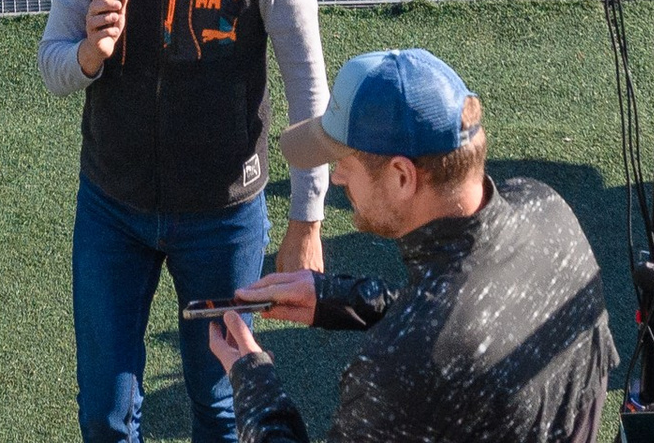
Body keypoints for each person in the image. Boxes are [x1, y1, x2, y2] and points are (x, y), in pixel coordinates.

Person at [40, 0, 330, 443]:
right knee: (105, 416)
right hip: (112, 207)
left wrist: (307, 220)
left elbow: (308, 85)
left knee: (221, 406)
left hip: (221, 217)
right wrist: (88, 56)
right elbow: (53, 67)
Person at [212, 48, 615, 443]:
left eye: (344, 162)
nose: (336, 178)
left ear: (402, 176)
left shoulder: (403, 363)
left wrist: (254, 385)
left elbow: (441, 337)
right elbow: (482, 313)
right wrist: (343, 300)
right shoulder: (546, 208)